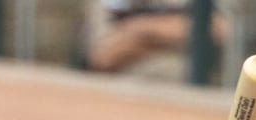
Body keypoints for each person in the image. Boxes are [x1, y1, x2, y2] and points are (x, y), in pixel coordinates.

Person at [83, 1, 223, 77]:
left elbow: (219, 30)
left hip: (188, 102)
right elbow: (103, 57)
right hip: (122, 100)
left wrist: (139, 30)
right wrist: (166, 38)